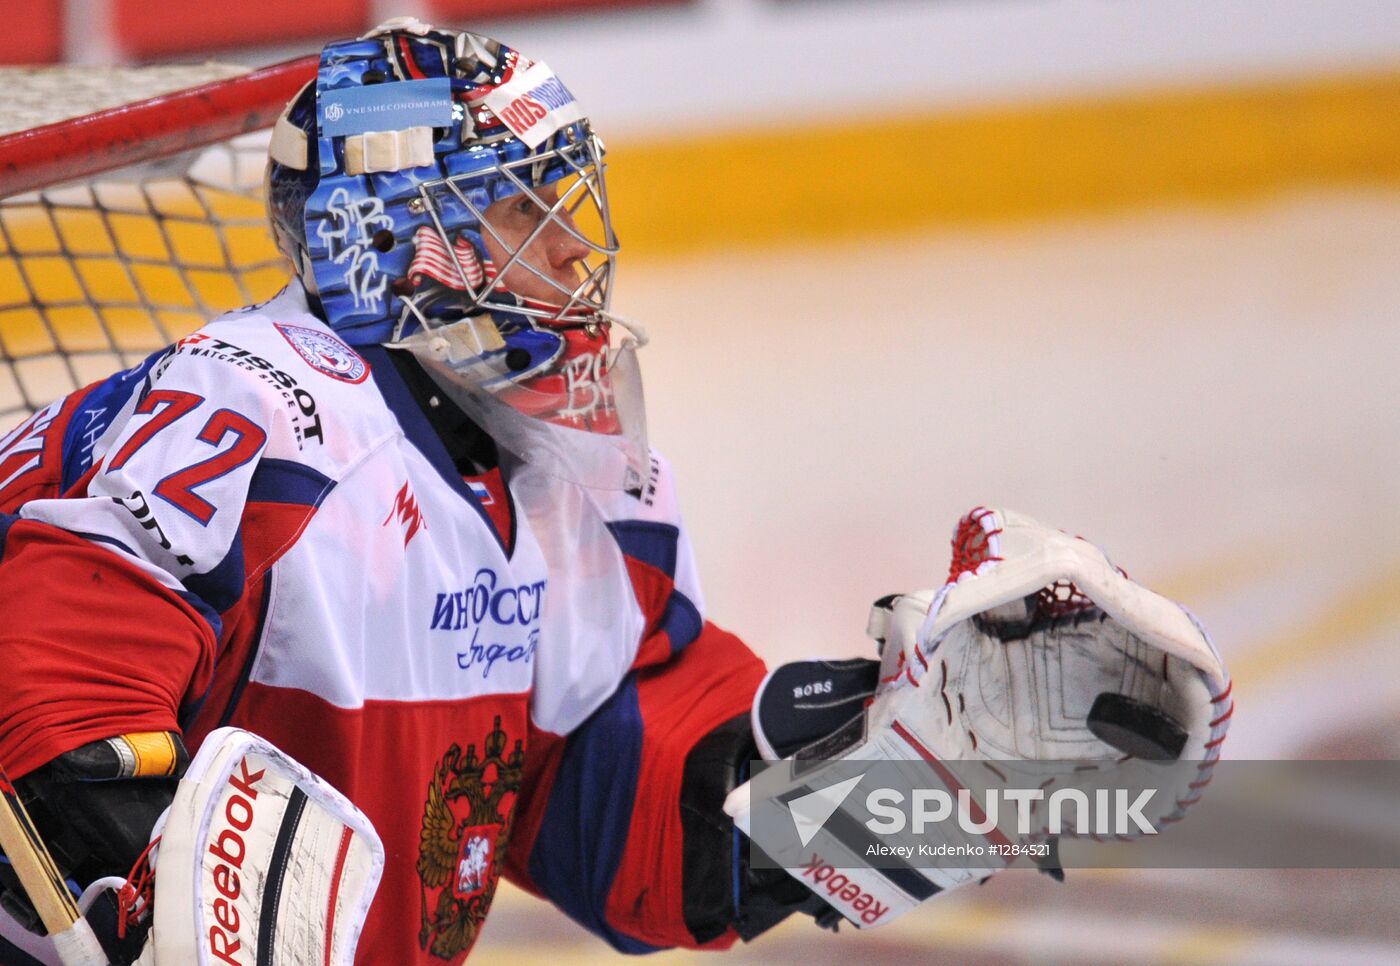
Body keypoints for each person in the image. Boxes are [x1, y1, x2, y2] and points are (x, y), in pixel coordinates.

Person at [0, 19, 1229, 966]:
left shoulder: (578, 493)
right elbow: (42, 705)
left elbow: (639, 830)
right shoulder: (258, 413)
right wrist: (128, 891)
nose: (582, 255)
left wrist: (907, 792)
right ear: (396, 242)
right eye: (534, 215)